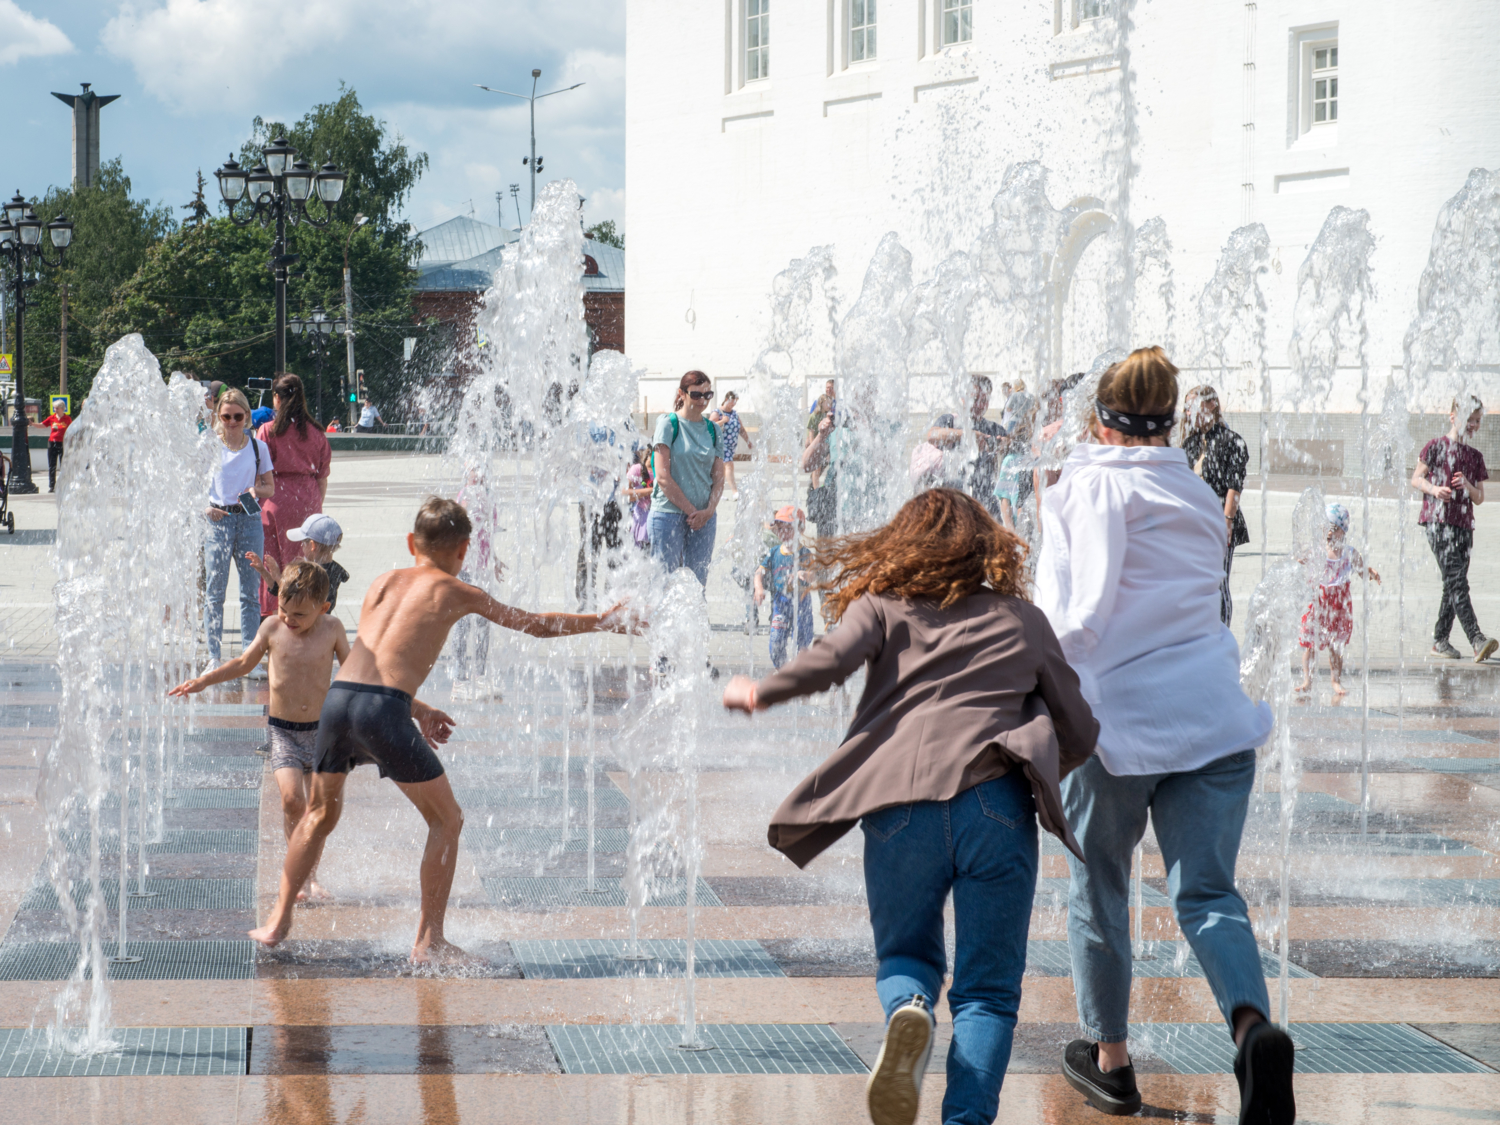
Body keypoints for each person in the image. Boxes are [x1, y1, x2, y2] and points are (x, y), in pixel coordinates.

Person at [722, 488, 1097, 1125]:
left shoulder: (882, 607)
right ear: (986, 546)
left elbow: (828, 662)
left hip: (899, 807)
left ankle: (908, 1011)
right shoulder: (1021, 619)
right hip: (995, 807)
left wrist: (761, 690)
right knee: (988, 993)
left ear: (903, 542)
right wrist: (1041, 751)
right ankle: (965, 1119)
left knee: (905, 957)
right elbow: (1081, 730)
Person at [1036, 346, 1294, 1124]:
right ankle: (1252, 1026)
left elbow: (1070, 618)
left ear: (1100, 420)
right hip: (1215, 720)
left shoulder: (1083, 489)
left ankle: (1111, 1060)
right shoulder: (1196, 492)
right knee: (1209, 892)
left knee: (1101, 881)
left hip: (1114, 725)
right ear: (1172, 418)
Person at [247, 497, 636, 963]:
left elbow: (369, 664)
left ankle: (277, 918)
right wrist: (602, 621)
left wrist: (418, 708)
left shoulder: (382, 583)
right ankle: (430, 941)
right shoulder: (456, 590)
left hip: (339, 699)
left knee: (318, 816)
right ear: (464, 549)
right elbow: (533, 625)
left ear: (412, 543)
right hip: (383, 709)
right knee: (446, 820)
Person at [170, 560, 349, 902]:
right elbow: (242, 663)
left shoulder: (333, 629)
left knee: (317, 809)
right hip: (282, 731)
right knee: (292, 800)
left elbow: (354, 669)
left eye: (299, 614)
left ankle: (309, 877)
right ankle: (294, 867)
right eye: (283, 609)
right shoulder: (271, 628)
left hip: (323, 732)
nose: (288, 619)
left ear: (323, 607)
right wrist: (203, 681)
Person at [1412, 395, 1496, 662]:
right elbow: (1416, 478)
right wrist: (1435, 490)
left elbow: (1479, 498)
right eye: (1469, 419)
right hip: (1437, 522)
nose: (1473, 424)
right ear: (1453, 417)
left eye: (1477, 420)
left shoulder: (1475, 456)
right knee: (1458, 581)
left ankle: (1440, 640)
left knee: (1453, 584)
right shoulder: (1435, 447)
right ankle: (1476, 639)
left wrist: (1468, 486)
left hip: (1464, 527)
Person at [204, 388, 275, 667]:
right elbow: (193, 486)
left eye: (237, 416)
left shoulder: (258, 446)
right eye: (226, 416)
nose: (232, 422)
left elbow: (270, 486)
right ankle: (213, 656)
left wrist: (256, 490)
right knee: (215, 591)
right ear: (219, 416)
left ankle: (250, 657)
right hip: (218, 520)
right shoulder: (209, 445)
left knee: (250, 592)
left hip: (249, 518)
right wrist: (205, 506)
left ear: (247, 415)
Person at [256, 373, 332, 618]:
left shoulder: (267, 431)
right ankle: (304, 613)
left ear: (276, 399)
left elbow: (257, 472)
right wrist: (315, 506)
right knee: (303, 563)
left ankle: (273, 614)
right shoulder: (317, 433)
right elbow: (322, 478)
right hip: (307, 497)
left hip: (274, 498)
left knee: (271, 563)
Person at [1181, 385, 1250, 625]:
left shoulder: (1231, 441)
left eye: (1193, 406)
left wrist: (1227, 521)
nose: (1189, 413)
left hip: (1218, 522)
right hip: (1192, 524)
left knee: (1218, 582)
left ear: (1211, 405)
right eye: (1186, 408)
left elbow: (1234, 485)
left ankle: (1221, 634)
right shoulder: (1190, 444)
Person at [1297, 503, 1381, 696]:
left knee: (1336, 646)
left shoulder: (1349, 552)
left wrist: (1370, 572)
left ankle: (1335, 680)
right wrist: (1300, 560)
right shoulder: (1317, 550)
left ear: (1343, 531)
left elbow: (1361, 568)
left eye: (1334, 529)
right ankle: (1307, 680)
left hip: (1339, 605)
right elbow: (1303, 559)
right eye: (1325, 527)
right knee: (1310, 644)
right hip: (1318, 601)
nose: (1329, 532)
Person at [649, 370, 724, 586]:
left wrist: (708, 511)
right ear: (682, 394)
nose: (702, 401)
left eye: (707, 395)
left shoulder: (713, 430)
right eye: (696, 395)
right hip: (668, 516)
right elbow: (662, 477)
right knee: (664, 587)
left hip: (704, 519)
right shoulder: (668, 424)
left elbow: (719, 478)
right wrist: (693, 512)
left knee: (696, 586)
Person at [925, 376, 1005, 515]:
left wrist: (1003, 443)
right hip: (953, 502)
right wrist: (968, 435)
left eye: (984, 401)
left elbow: (1013, 447)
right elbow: (932, 436)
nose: (980, 405)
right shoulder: (950, 421)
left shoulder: (993, 429)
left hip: (985, 506)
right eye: (975, 400)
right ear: (963, 399)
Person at [247, 513, 351, 613]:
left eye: (303, 542)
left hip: (306, 626)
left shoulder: (311, 572)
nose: (301, 545)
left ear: (312, 545)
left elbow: (294, 597)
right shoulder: (336, 570)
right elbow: (278, 590)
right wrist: (263, 570)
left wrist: (278, 576)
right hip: (319, 624)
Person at [754, 505, 815, 669]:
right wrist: (758, 587)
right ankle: (783, 671)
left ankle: (799, 673)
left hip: (801, 603)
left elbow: (815, 574)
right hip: (780, 604)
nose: (784, 533)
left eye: (789, 528)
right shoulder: (774, 552)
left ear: (800, 529)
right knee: (776, 643)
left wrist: (804, 574)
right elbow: (758, 572)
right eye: (780, 528)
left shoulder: (805, 553)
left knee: (801, 643)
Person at [709, 390, 753, 494]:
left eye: (735, 402)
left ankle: (716, 493)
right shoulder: (717, 412)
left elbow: (741, 429)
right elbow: (709, 427)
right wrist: (723, 421)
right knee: (729, 465)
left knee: (721, 471)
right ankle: (735, 492)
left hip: (731, 446)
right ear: (726, 400)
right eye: (732, 401)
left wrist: (748, 441)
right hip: (720, 445)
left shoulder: (734, 414)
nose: (734, 404)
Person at [624, 445, 654, 550]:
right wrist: (649, 491)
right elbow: (625, 494)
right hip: (641, 521)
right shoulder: (638, 469)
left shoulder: (665, 470)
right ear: (649, 454)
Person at [41, 396, 72, 493]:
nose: (55, 410)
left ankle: (64, 484)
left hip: (63, 443)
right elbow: (43, 425)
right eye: (54, 408)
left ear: (62, 408)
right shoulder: (52, 418)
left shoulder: (67, 419)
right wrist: (32, 424)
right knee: (52, 465)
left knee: (64, 465)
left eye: (57, 408)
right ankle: (52, 486)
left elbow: (71, 430)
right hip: (52, 442)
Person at [805, 393, 835, 489]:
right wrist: (813, 446)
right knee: (816, 467)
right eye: (827, 403)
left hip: (825, 445)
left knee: (825, 465)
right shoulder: (814, 416)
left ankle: (817, 484)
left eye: (830, 404)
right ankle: (815, 488)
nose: (829, 406)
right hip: (816, 445)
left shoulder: (826, 416)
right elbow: (811, 432)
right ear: (821, 403)